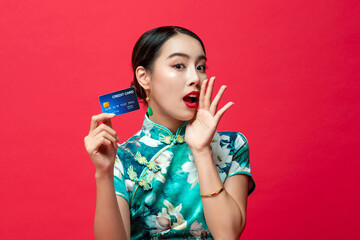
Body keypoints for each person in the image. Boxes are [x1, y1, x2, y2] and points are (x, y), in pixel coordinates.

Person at [84, 26, 255, 240]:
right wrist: (103, 174)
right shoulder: (123, 157)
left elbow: (227, 235)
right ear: (144, 77)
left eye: (200, 66)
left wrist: (201, 150)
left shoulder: (231, 145)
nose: (195, 78)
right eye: (179, 65)